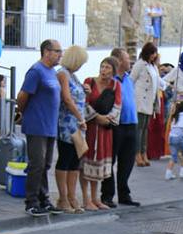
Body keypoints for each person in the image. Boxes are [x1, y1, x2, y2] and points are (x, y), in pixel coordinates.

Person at [17, 39, 63, 216]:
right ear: (47, 52)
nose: (60, 55)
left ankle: (44, 199)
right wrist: (23, 112)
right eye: (57, 51)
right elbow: (23, 95)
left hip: (50, 125)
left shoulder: (52, 72)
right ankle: (31, 201)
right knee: (37, 164)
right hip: (37, 125)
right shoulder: (36, 71)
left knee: (46, 164)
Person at [101, 48, 141, 207]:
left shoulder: (129, 79)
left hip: (131, 123)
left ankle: (124, 193)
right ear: (118, 60)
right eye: (126, 58)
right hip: (116, 125)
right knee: (110, 160)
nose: (129, 61)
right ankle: (107, 194)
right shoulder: (111, 81)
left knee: (128, 161)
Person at [82, 57, 120, 210]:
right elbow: (83, 103)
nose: (103, 70)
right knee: (86, 162)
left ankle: (95, 198)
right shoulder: (89, 81)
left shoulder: (115, 85)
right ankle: (86, 199)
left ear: (113, 71)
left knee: (98, 164)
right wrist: (97, 117)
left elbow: (117, 106)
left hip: (105, 130)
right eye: (102, 66)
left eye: (107, 67)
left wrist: (107, 119)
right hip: (89, 128)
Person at [55, 45, 89, 213]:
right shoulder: (62, 74)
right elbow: (67, 99)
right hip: (67, 123)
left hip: (77, 124)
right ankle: (63, 197)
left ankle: (72, 196)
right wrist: (80, 118)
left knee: (75, 161)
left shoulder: (73, 76)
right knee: (66, 158)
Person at [132, 43, 161, 167]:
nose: (154, 55)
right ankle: (137, 153)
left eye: (155, 53)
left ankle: (144, 152)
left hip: (150, 100)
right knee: (139, 129)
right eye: (152, 53)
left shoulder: (153, 66)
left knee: (145, 129)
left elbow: (158, 81)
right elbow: (131, 79)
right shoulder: (140, 64)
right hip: (140, 100)